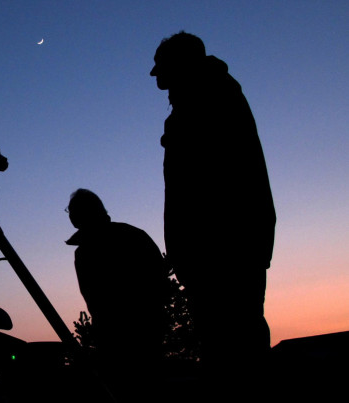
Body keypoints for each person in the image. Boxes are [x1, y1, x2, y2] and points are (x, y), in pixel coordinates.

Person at [150, 32, 276, 390]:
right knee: (231, 342)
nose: (155, 76)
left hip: (223, 248)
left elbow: (204, 186)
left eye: (161, 68)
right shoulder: (204, 97)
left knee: (234, 346)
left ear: (180, 65)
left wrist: (186, 246)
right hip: (220, 247)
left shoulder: (206, 100)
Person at [66, 188, 170, 402]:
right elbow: (160, 280)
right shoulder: (135, 235)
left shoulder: (85, 251)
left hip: (119, 335)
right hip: (146, 329)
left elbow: (93, 297)